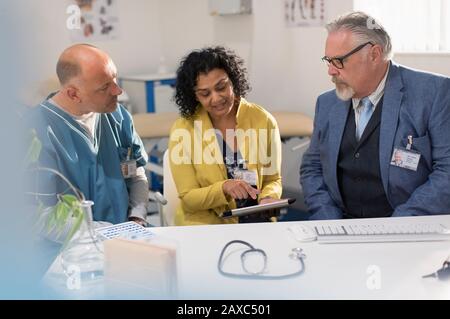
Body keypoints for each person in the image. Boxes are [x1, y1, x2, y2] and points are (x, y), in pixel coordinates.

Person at [300, 11, 450, 220]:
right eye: (328, 60)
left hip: (406, 224)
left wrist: (401, 222)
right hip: (340, 225)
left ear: (374, 54)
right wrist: (327, 217)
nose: (331, 72)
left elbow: (447, 171)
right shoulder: (327, 104)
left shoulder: (432, 93)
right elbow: (312, 167)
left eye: (339, 61)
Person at [28, 44, 149, 226]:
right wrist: (94, 233)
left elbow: (136, 172)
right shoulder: (35, 132)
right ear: (73, 94)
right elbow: (36, 214)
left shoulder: (118, 116)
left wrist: (137, 217)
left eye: (114, 79)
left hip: (126, 235)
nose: (118, 91)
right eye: (104, 87)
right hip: (68, 247)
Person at [168, 46, 282, 225]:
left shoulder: (263, 120)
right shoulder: (183, 130)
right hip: (206, 224)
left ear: (233, 81)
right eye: (205, 93)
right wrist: (223, 188)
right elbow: (188, 198)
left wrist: (268, 198)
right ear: (194, 96)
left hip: (256, 220)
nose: (216, 98)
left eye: (221, 87)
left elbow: (272, 179)